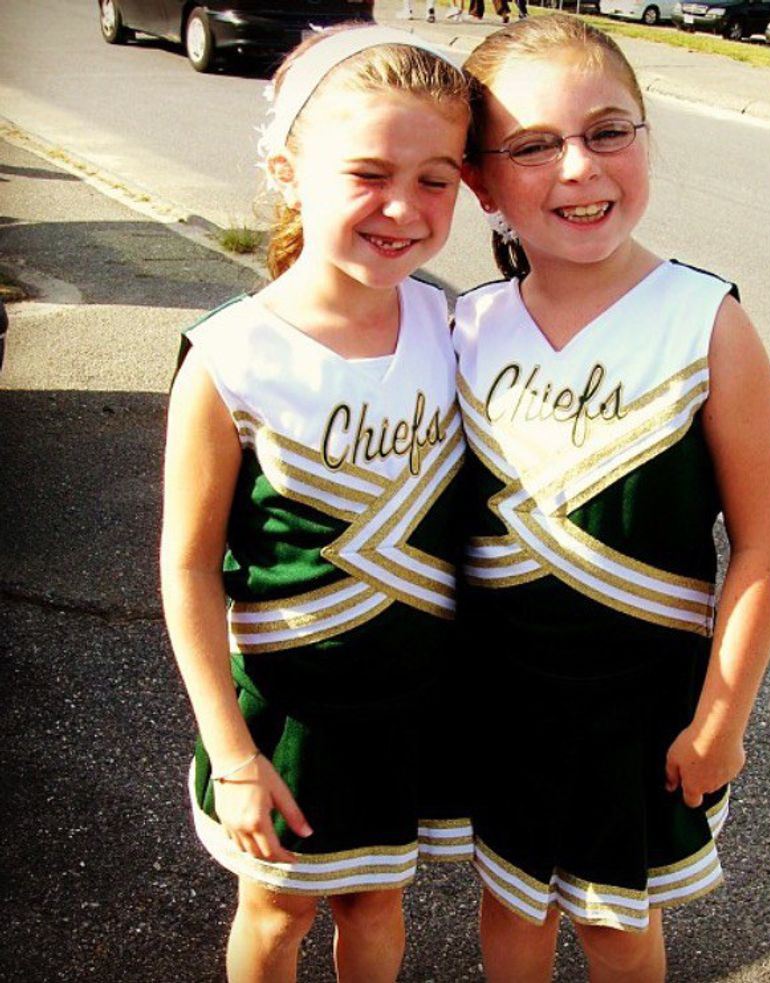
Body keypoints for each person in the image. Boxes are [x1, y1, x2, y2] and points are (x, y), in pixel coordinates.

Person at [455, 15, 770, 982]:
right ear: (481, 183)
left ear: (645, 135)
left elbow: (765, 543)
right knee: (510, 908)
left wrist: (722, 716)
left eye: (608, 131)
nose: (580, 168)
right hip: (503, 704)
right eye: (533, 146)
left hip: (642, 712)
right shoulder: (463, 326)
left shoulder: (707, 322)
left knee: (616, 925)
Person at [160, 25, 472, 983]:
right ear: (289, 172)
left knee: (378, 896)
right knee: (278, 904)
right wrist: (233, 753)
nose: (403, 207)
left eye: (436, 179)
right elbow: (187, 565)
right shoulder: (229, 357)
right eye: (367, 173)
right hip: (289, 711)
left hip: (413, 702)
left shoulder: (453, 323)